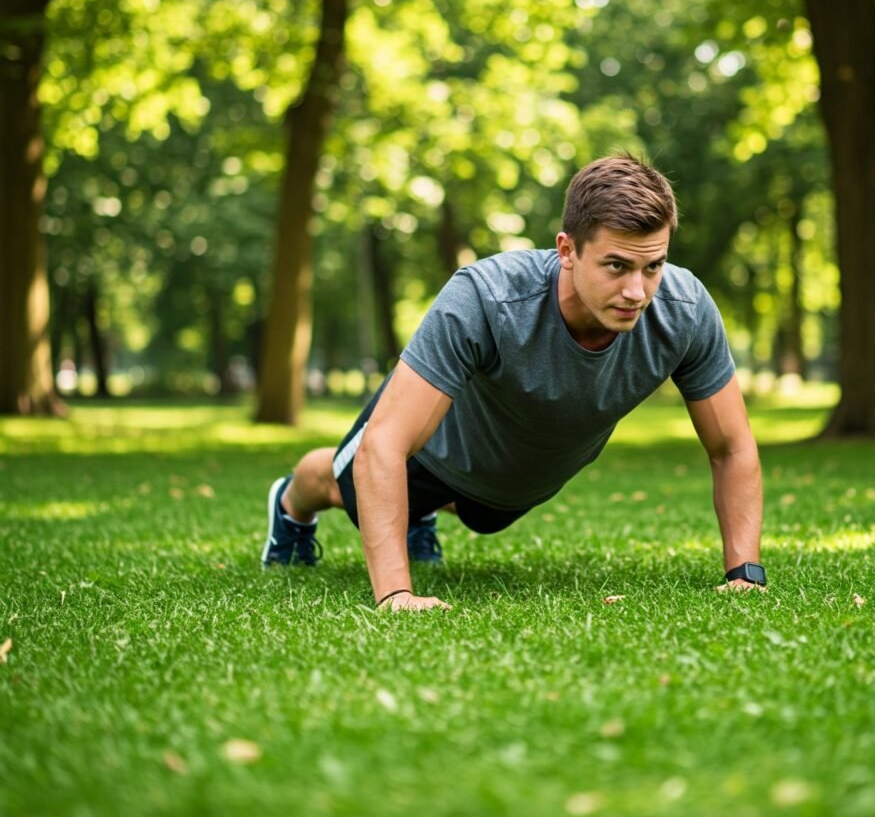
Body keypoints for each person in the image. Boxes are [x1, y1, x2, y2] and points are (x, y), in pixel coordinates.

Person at [261, 153, 765, 610]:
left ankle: (418, 517)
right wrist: (397, 594)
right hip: (426, 451)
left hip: (512, 483)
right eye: (616, 266)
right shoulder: (487, 297)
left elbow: (731, 445)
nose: (637, 290)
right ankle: (291, 506)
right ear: (567, 250)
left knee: (480, 510)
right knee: (333, 481)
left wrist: (744, 574)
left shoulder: (684, 311)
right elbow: (386, 445)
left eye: (653, 266)